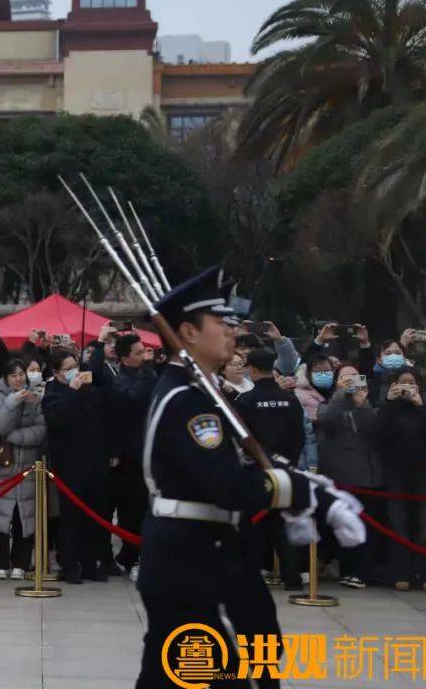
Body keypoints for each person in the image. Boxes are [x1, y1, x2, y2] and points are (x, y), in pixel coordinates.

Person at [134, 266, 360, 689]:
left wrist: (313, 494)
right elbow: (227, 485)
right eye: (220, 323)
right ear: (187, 332)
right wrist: (302, 493)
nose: (231, 333)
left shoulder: (202, 393)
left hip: (205, 551)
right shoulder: (187, 402)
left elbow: (247, 463)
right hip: (194, 557)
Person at [235, 347, 307, 590]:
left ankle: (251, 575)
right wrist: (290, 462)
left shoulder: (245, 401)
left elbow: (240, 438)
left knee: (252, 525)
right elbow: (299, 436)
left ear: (252, 369)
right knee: (281, 524)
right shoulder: (290, 399)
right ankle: (292, 576)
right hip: (285, 469)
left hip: (255, 471)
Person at [42, 350, 109, 583]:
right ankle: (69, 564)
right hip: (69, 464)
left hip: (95, 461)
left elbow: (101, 419)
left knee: (95, 514)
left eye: (75, 366)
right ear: (57, 373)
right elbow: (57, 418)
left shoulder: (90, 391)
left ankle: (91, 563)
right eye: (68, 368)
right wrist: (71, 391)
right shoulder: (52, 394)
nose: (74, 371)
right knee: (71, 517)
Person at [315, 364, 381, 588]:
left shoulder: (370, 406)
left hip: (365, 476)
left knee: (365, 526)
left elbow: (373, 428)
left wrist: (361, 404)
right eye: (345, 377)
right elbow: (328, 421)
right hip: (339, 475)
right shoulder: (329, 404)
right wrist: (341, 394)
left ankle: (361, 572)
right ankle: (346, 569)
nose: (350, 380)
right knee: (341, 526)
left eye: (354, 377)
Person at [0, 359, 47, 579]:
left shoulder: (36, 397)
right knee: (0, 517)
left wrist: (15, 437)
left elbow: (41, 430)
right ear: (5, 378)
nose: (19, 378)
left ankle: (20, 564)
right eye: (13, 375)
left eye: (21, 374)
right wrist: (12, 402)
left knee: (25, 517)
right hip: (2, 467)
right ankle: (0, 563)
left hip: (29, 466)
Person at [107, 332, 158, 579]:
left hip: (152, 451)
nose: (144, 355)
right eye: (138, 353)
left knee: (149, 509)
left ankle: (141, 555)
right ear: (125, 358)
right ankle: (132, 556)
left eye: (144, 351)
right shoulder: (120, 380)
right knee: (132, 511)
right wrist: (147, 369)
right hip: (130, 457)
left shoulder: (149, 374)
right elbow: (135, 397)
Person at [374, 370, 426, 591]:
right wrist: (388, 402)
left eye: (411, 383)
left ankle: (422, 573)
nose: (407, 387)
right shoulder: (389, 409)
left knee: (423, 525)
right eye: (402, 383)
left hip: (422, 474)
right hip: (395, 474)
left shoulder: (421, 408)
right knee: (398, 524)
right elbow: (378, 434)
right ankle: (400, 572)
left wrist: (420, 406)